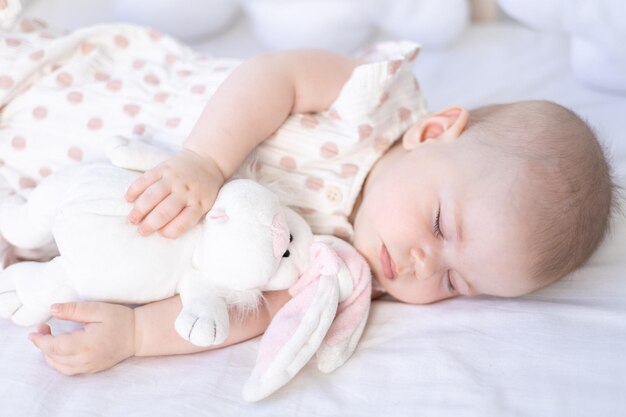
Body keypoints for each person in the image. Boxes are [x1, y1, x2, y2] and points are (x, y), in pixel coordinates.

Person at [0, 18, 616, 375]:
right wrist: (208, 160)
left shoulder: (338, 274)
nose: (425, 264)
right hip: (132, 111)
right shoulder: (371, 106)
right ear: (431, 133)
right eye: (439, 225)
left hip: (80, 199)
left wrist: (134, 336)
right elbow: (277, 75)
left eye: (456, 283)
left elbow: (238, 316)